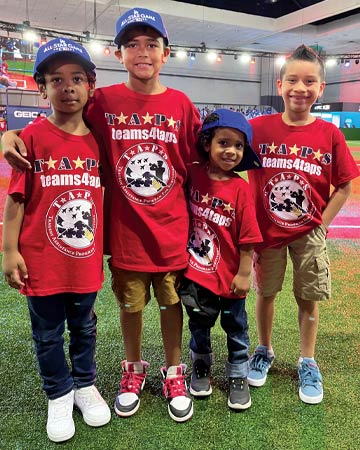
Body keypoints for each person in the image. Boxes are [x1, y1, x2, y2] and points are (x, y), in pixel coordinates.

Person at [1, 8, 201, 422]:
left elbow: (195, 164)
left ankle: (174, 370)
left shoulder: (182, 105)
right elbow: (59, 124)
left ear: (166, 53)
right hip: (125, 233)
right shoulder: (103, 101)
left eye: (151, 44)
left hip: (170, 232)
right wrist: (10, 134)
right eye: (132, 44)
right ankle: (132, 370)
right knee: (131, 306)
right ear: (118, 53)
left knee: (169, 305)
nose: (142, 52)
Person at [1, 37, 111, 443]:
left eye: (76, 78)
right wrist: (9, 251)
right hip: (41, 260)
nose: (67, 87)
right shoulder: (30, 138)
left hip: (83, 260)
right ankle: (58, 393)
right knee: (47, 333)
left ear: (91, 86)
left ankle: (84, 384)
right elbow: (16, 201)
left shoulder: (99, 139)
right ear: (41, 86)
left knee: (85, 327)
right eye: (56, 79)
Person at [247, 45, 360, 404]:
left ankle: (307, 360)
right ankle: (264, 350)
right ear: (279, 85)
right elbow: (228, 161)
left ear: (321, 87)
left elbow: (344, 187)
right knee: (266, 293)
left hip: (308, 234)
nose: (300, 87)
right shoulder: (256, 128)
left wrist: (322, 225)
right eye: (292, 80)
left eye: (309, 81)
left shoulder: (329, 134)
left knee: (308, 298)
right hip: (268, 232)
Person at [178, 109, 263, 410]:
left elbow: (248, 238)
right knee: (199, 325)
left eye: (239, 146)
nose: (231, 151)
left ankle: (238, 372)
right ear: (206, 144)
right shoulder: (193, 173)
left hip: (229, 278)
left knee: (236, 328)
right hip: (197, 273)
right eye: (223, 143)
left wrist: (243, 274)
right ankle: (201, 365)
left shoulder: (240, 188)